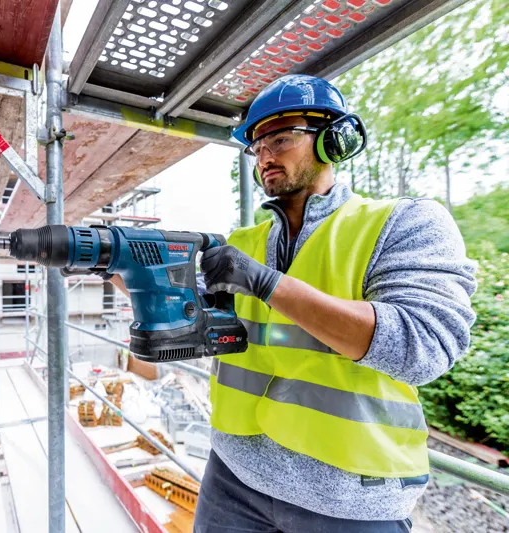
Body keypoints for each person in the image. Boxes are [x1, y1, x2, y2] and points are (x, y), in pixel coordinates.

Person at [193, 74, 476, 532]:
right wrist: (122, 267)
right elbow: (198, 323)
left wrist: (265, 282)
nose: (265, 155)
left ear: (334, 141)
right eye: (256, 147)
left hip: (350, 501)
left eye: (280, 138)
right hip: (234, 476)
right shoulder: (242, 243)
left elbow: (420, 347)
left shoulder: (402, 223)